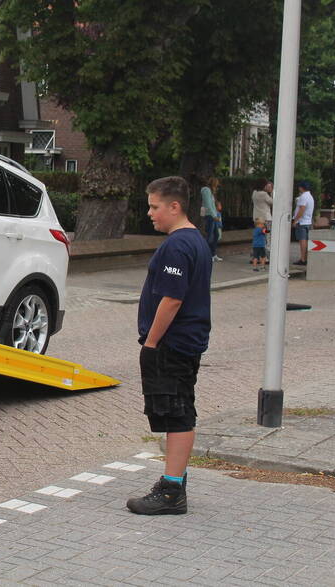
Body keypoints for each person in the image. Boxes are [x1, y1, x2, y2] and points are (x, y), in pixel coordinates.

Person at [127, 176, 211, 515]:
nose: (150, 213)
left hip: (172, 343)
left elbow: (172, 299)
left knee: (176, 412)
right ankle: (176, 479)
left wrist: (151, 342)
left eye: (154, 206)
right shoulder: (196, 241)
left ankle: (171, 491)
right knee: (179, 408)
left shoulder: (177, 245)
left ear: (174, 206)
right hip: (185, 341)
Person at [200, 178, 223, 262]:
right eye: (216, 185)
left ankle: (213, 254)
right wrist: (214, 216)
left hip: (213, 215)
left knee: (216, 235)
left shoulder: (210, 192)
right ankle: (206, 255)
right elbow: (208, 204)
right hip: (209, 216)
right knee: (209, 236)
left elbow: (212, 205)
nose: (217, 187)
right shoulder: (206, 190)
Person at [292, 180, 314, 266]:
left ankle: (303, 259)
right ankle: (305, 258)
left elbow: (302, 209)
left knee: (302, 240)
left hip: (302, 222)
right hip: (308, 221)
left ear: (301, 187)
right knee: (306, 240)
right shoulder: (310, 196)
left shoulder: (303, 197)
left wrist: (295, 220)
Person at [251, 180, 273, 263]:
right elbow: (273, 202)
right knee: (267, 237)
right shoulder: (264, 194)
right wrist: (270, 192)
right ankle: (265, 257)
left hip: (257, 218)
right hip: (266, 218)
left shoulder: (254, 193)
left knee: (258, 237)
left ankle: (256, 256)